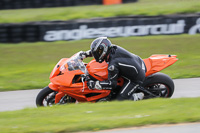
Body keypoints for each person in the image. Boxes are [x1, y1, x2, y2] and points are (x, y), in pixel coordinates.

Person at [80, 37, 146, 101]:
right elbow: (98, 52)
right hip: (139, 61)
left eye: (97, 53)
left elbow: (112, 84)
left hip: (136, 78)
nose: (96, 55)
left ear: (104, 50)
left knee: (120, 100)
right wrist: (85, 54)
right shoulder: (112, 48)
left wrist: (94, 84)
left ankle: (136, 97)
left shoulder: (113, 65)